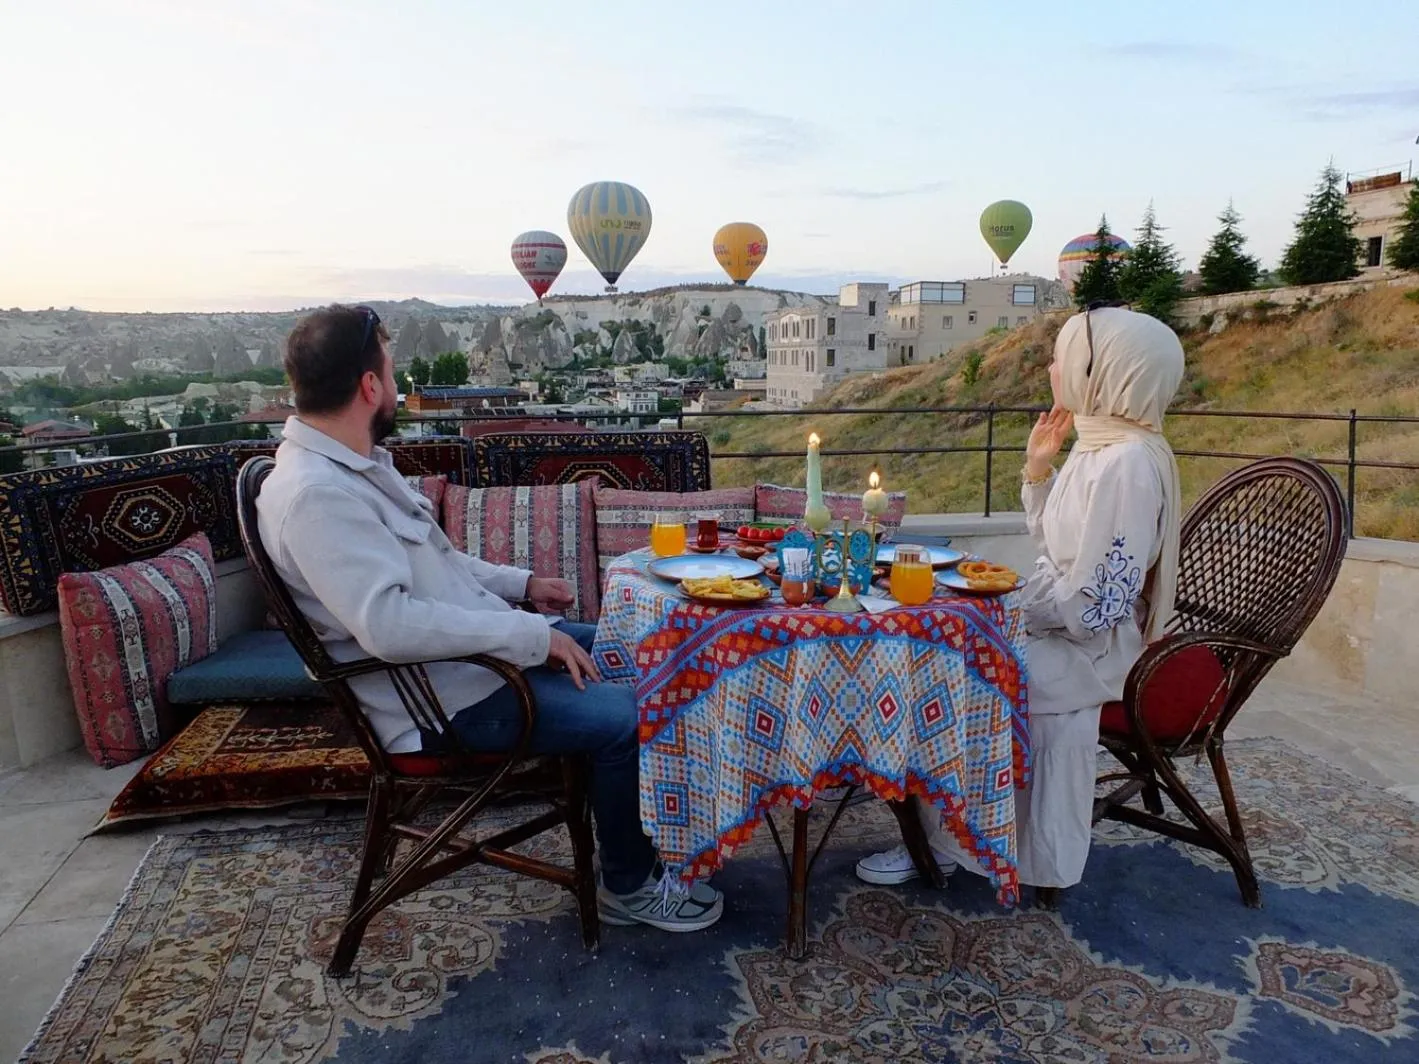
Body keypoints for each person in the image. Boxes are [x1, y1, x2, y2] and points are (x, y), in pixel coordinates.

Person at [257, 304, 722, 932]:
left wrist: (524, 585)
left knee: (636, 644)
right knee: (626, 718)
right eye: (392, 376)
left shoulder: (354, 470)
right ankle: (628, 886)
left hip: (474, 666)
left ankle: (648, 824)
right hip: (444, 701)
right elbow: (388, 626)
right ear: (369, 387)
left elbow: (441, 564)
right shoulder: (317, 496)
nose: (397, 390)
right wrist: (530, 635)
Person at [856, 304, 1184, 893]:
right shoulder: (1102, 446)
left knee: (959, 672)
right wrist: (1038, 470)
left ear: (1104, 368)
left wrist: (1006, 609)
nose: (1054, 365)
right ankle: (945, 827)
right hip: (1065, 624)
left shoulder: (1127, 462)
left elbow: (1097, 607)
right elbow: (1060, 548)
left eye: (1065, 356)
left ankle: (950, 844)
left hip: (1093, 651)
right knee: (948, 652)